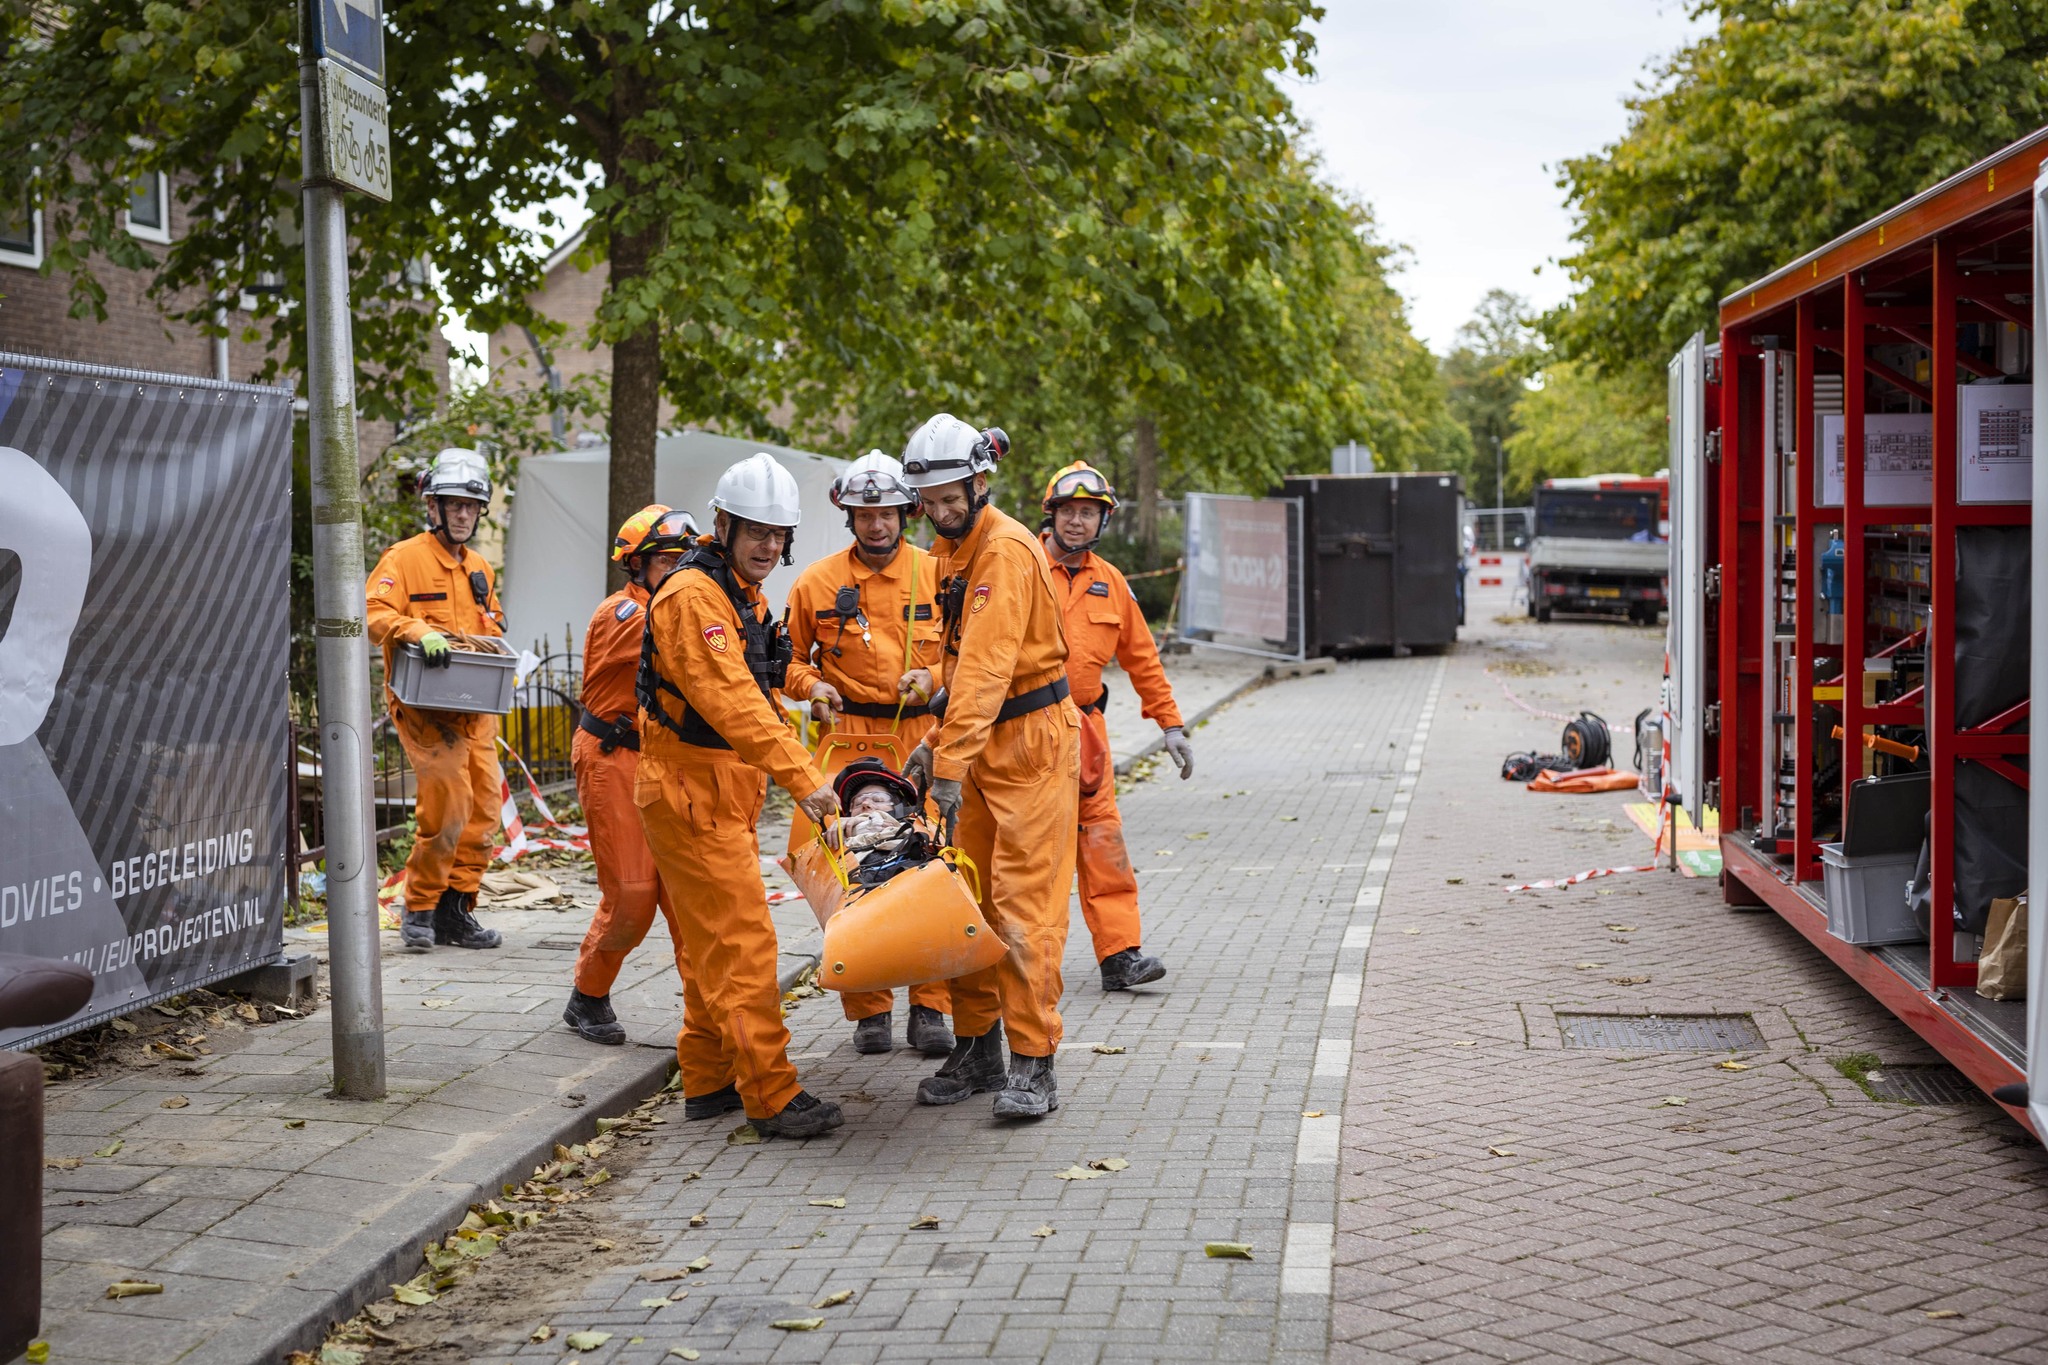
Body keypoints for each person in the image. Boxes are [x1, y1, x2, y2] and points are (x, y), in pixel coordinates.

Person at [634, 455, 845, 1139]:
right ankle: (771, 1094)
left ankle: (710, 1078)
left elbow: (769, 667)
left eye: (779, 534)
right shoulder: (694, 598)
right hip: (693, 791)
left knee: (709, 947)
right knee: (745, 945)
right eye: (755, 530)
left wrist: (812, 689)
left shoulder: (739, 595)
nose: (768, 546)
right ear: (722, 525)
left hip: (718, 790)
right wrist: (804, 777)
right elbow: (732, 701)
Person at [898, 414, 1080, 1120]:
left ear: (979, 482)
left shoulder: (1002, 551)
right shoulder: (954, 550)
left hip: (1029, 744)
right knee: (964, 899)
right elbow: (956, 662)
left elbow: (986, 668)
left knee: (1022, 908)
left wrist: (947, 758)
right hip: (980, 741)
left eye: (951, 499)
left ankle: (1035, 1061)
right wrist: (938, 739)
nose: (940, 513)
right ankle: (979, 1045)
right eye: (931, 503)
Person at [782, 451, 956, 1059]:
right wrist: (813, 689)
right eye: (864, 513)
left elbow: (968, 653)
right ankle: (868, 1007)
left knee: (931, 861)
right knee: (851, 867)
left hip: (917, 738)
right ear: (848, 514)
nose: (876, 524)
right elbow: (787, 661)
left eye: (885, 513)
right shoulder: (817, 583)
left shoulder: (936, 573)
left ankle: (931, 1004)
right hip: (847, 740)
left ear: (906, 512)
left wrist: (931, 677)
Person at [1039, 461, 1194, 991]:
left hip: (1087, 734)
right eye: (1069, 511)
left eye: (1088, 513)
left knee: (1103, 842)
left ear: (1102, 522)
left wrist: (1170, 724)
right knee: (1030, 852)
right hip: (1025, 730)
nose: (1077, 522)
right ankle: (1022, 959)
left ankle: (1121, 955)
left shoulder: (1111, 583)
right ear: (1051, 514)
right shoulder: (1021, 568)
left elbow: (1143, 660)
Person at [560, 505, 697, 1046]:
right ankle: (587, 995)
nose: (680, 569)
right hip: (613, 757)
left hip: (666, 759)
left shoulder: (676, 603)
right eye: (668, 561)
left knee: (688, 899)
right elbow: (676, 639)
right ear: (637, 566)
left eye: (685, 559)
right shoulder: (623, 613)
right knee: (634, 894)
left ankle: (708, 1016)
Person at [364, 447, 507, 953]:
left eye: (472, 505)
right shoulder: (404, 559)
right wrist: (415, 628)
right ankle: (419, 906)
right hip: (427, 710)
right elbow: (373, 612)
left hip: (474, 709)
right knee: (448, 807)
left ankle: (456, 911)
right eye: (454, 504)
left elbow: (492, 620)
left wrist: (493, 640)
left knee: (485, 812)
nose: (464, 513)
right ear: (433, 507)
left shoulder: (480, 568)